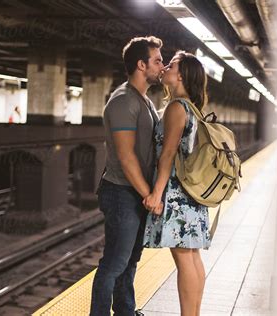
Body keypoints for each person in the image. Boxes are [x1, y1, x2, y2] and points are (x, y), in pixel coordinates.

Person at [90, 36, 164, 316]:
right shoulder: (122, 101)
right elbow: (126, 156)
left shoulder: (142, 99)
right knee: (114, 262)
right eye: (157, 60)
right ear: (141, 64)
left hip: (134, 192)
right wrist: (149, 195)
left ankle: (125, 311)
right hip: (122, 192)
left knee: (130, 260)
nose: (162, 65)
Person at [142, 51, 211, 316]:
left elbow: (168, 154)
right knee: (192, 258)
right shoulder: (192, 107)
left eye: (171, 65)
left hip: (176, 193)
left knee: (184, 260)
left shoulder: (176, 107)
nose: (165, 68)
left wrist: (156, 194)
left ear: (180, 75)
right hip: (191, 193)